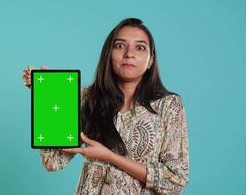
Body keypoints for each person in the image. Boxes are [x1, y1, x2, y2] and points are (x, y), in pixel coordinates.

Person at [22, 18, 189, 195]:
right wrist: (48, 96)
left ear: (150, 61)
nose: (129, 53)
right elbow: (53, 161)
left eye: (139, 47)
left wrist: (109, 157)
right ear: (108, 54)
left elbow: (175, 180)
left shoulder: (168, 105)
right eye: (119, 45)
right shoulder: (86, 98)